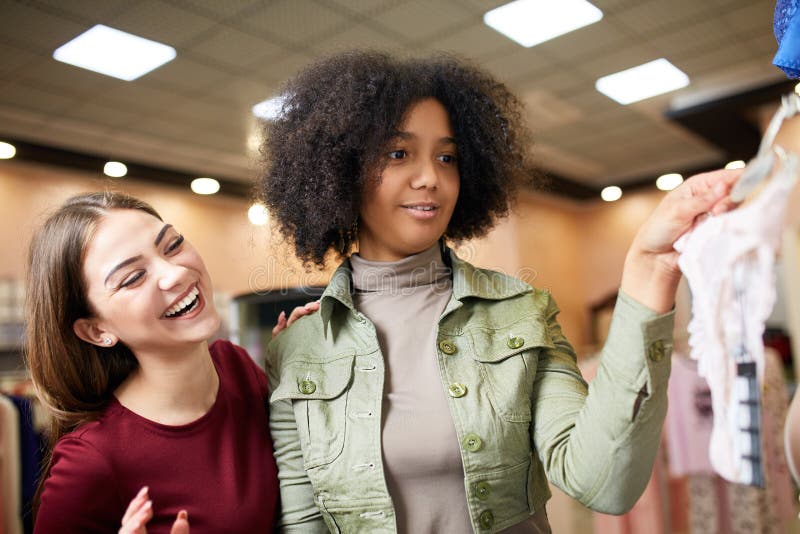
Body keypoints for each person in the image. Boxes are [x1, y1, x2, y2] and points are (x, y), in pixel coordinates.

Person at [259, 50, 742, 533]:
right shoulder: (298, 347)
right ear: (341, 169)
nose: (431, 177)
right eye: (398, 153)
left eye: (447, 157)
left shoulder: (521, 313)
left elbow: (604, 482)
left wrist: (650, 270)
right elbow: (304, 521)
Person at [25, 192, 293, 533]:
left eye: (173, 245)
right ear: (97, 330)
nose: (175, 274)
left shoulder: (237, 367)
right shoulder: (91, 461)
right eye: (133, 278)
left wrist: (301, 358)